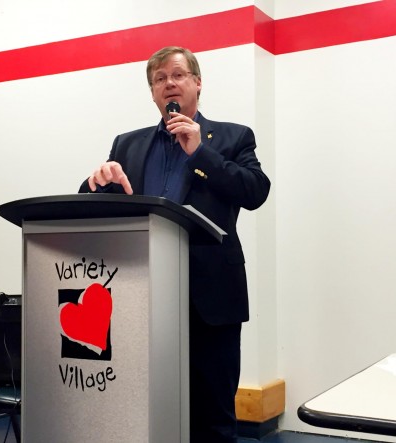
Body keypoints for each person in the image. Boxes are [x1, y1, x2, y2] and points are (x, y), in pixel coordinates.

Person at [79, 46, 270, 443]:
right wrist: (96, 180)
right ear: (152, 94)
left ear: (197, 84)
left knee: (212, 415)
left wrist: (201, 152)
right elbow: (97, 205)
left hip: (210, 299)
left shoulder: (232, 137)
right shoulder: (126, 145)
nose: (169, 83)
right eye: (160, 79)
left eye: (178, 75)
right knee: (146, 408)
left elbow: (255, 191)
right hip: (143, 300)